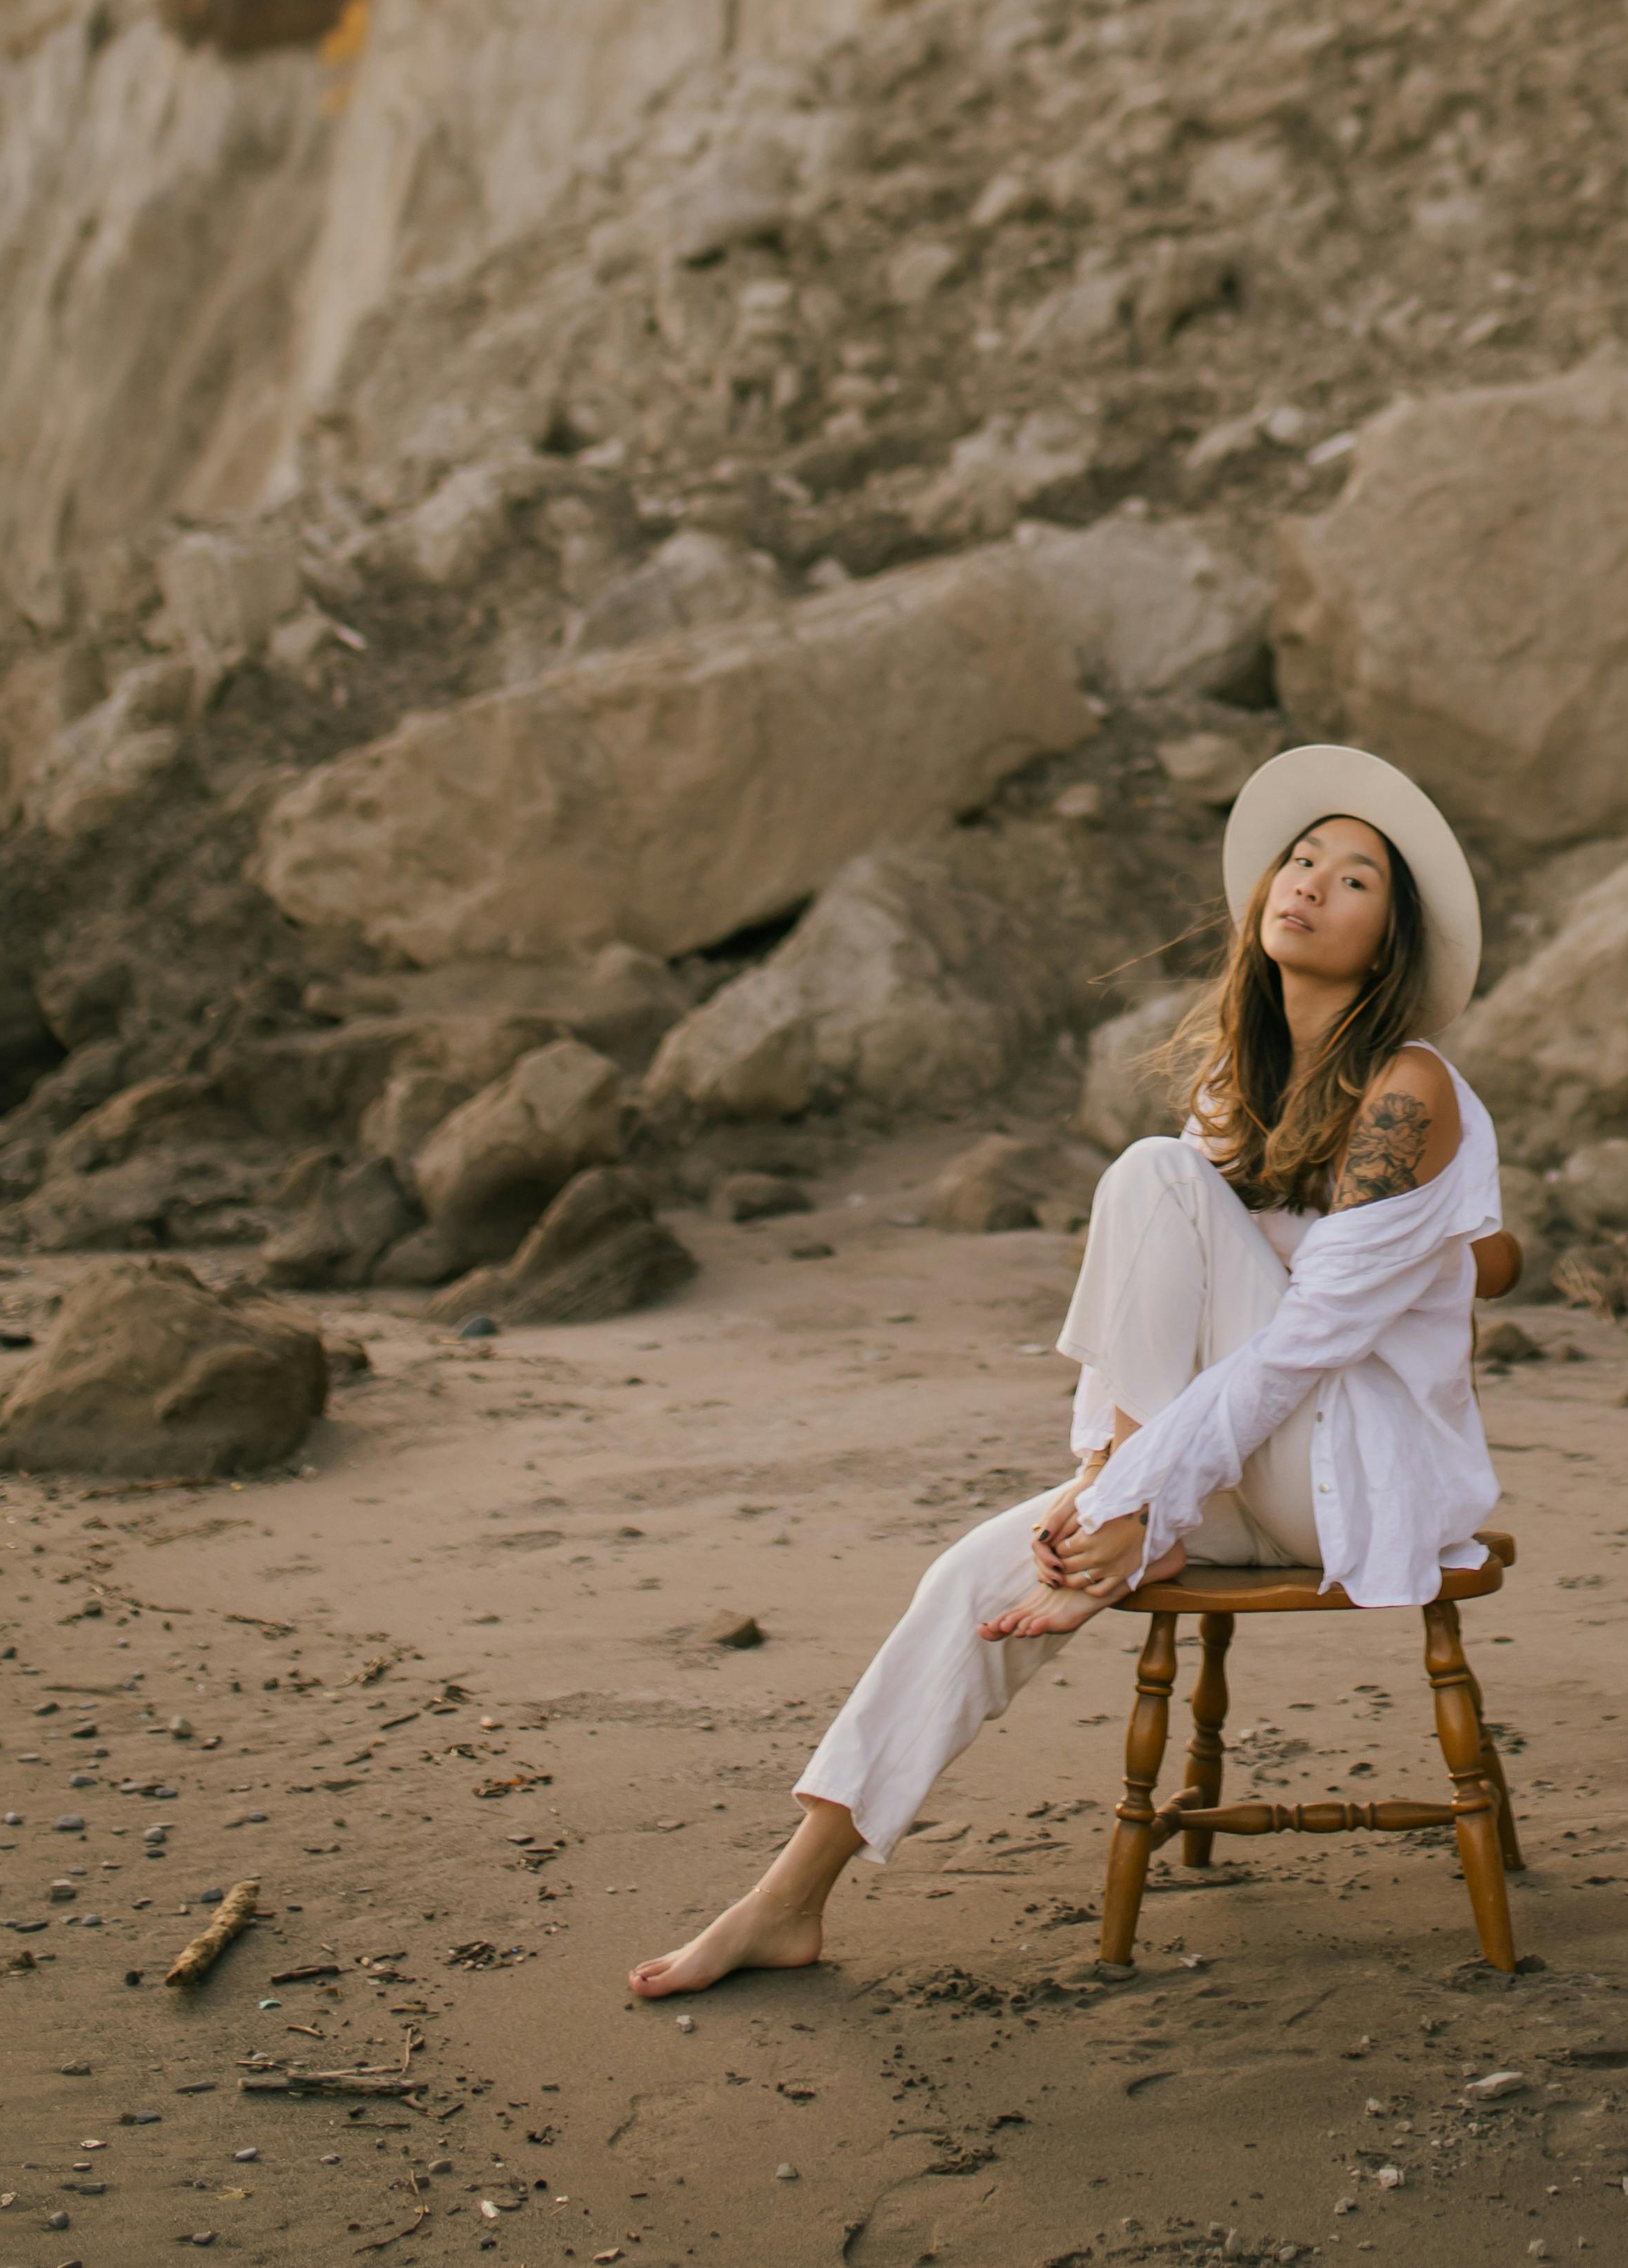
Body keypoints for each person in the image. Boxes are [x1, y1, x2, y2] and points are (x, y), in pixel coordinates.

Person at [628, 743, 1514, 1998]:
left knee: (1149, 1176)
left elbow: (1302, 1344)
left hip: (1347, 1481)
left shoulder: (1408, 1092)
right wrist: (1111, 1482)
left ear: (1390, 941)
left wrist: (1122, 1498)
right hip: (1216, 1466)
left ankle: (1119, 1504)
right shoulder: (1233, 1084)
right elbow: (1164, 1314)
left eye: (1354, 876)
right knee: (968, 1577)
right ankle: (787, 1897)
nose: (1310, 883)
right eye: (1301, 857)